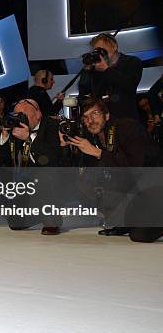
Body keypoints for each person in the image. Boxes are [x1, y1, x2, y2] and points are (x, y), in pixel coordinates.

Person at [60, 97, 163, 242]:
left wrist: (98, 153)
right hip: (131, 187)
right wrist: (66, 148)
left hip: (153, 184)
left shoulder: (127, 127)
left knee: (140, 235)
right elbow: (80, 171)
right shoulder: (92, 137)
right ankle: (125, 220)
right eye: (86, 117)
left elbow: (134, 167)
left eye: (95, 114)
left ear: (107, 115)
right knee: (85, 183)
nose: (90, 120)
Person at [0, 99, 62, 235]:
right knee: (15, 222)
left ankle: (52, 220)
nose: (20, 119)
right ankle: (40, 213)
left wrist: (29, 137)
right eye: (17, 115)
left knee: (44, 175)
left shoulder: (53, 125)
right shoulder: (16, 129)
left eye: (24, 115)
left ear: (38, 114)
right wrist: (4, 136)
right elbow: (4, 160)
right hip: (29, 182)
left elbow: (52, 158)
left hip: (54, 179)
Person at [78, 33, 142, 120]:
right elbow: (84, 92)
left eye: (101, 49)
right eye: (96, 51)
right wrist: (87, 70)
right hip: (105, 121)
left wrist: (106, 69)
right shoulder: (97, 69)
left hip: (127, 119)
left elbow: (130, 85)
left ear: (114, 46)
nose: (100, 53)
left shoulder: (132, 62)